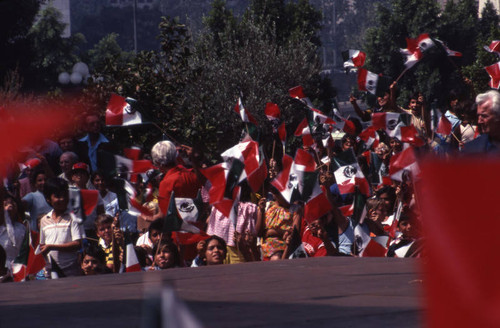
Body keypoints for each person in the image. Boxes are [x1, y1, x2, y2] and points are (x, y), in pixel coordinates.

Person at [39, 177, 84, 277]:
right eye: (58, 196)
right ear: (48, 199)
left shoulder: (73, 218)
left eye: (65, 196)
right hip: (51, 271)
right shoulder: (44, 220)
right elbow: (42, 245)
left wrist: (51, 247)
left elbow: (77, 244)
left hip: (70, 270)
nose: (62, 199)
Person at [22, 167, 52, 232]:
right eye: (40, 180)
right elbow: (20, 206)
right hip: (38, 235)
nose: (43, 182)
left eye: (45, 180)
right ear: (35, 183)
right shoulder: (32, 196)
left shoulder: (54, 195)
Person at [0, 193, 26, 265]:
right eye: (5, 205)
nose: (10, 207)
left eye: (12, 204)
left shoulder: (22, 228)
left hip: (18, 267)